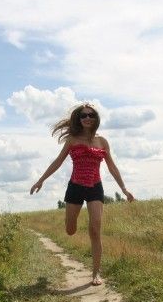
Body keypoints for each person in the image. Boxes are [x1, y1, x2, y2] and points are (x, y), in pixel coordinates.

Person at [30, 103, 135, 286]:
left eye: (91, 115)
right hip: (75, 187)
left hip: (95, 187)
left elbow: (111, 167)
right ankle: (70, 222)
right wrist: (41, 180)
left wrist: (124, 189)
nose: (87, 118)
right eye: (84, 116)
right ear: (79, 119)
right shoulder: (72, 139)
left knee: (95, 229)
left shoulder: (102, 141)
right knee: (70, 230)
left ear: (96, 119)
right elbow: (57, 162)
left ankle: (96, 273)